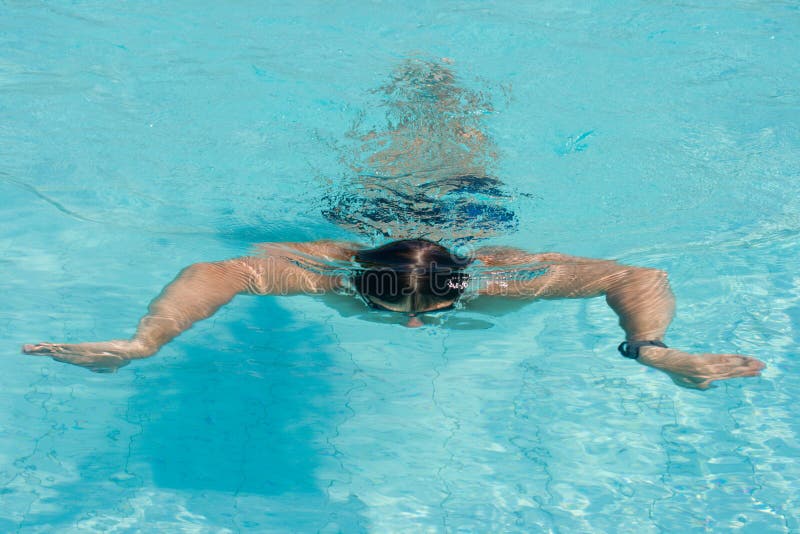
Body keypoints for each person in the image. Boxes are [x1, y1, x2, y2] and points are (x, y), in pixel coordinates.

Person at [22, 238, 764, 389]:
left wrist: (651, 348)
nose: (413, 326)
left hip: (473, 207)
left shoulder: (501, 278)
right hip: (366, 213)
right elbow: (214, 274)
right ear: (355, 282)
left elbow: (638, 275)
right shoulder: (319, 268)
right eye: (390, 311)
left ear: (463, 285)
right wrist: (148, 340)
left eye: (436, 310)